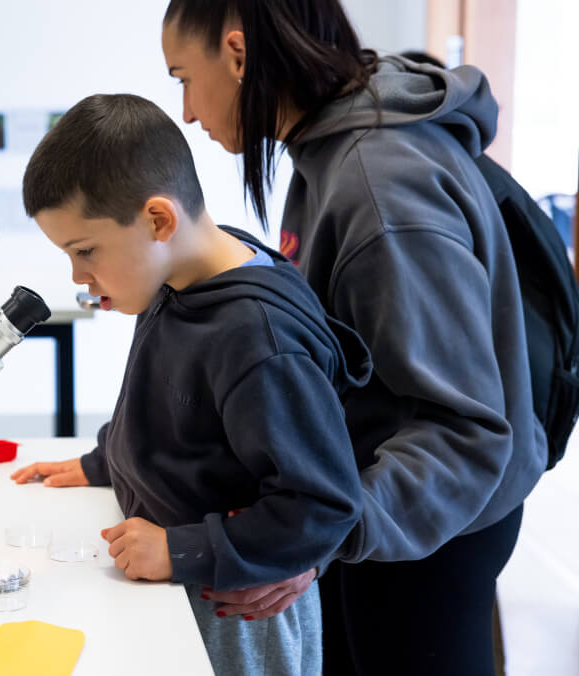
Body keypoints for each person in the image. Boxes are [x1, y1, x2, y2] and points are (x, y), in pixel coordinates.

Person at [160, 2, 547, 674]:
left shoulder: (381, 183)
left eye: (183, 78)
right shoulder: (333, 152)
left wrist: (312, 536)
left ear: (238, 54)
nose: (189, 111)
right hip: (382, 517)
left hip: (427, 529)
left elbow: (465, 435)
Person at [11, 93, 371, 675]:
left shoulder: (256, 336)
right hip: (173, 587)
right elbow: (174, 418)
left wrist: (182, 551)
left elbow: (322, 505)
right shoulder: (176, 278)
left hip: (232, 616)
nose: (78, 276)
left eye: (85, 251)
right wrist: (105, 460)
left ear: (158, 220)